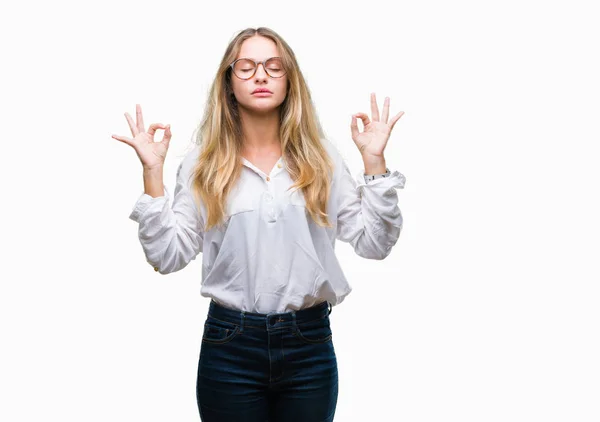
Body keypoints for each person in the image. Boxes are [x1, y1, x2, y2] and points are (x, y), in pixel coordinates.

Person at [112, 26, 406, 422]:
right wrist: (153, 173)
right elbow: (167, 256)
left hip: (309, 345)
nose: (261, 75)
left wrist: (374, 162)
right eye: (247, 67)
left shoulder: (322, 159)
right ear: (228, 83)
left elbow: (376, 242)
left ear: (290, 81)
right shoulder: (203, 163)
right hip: (230, 345)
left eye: (273, 66)